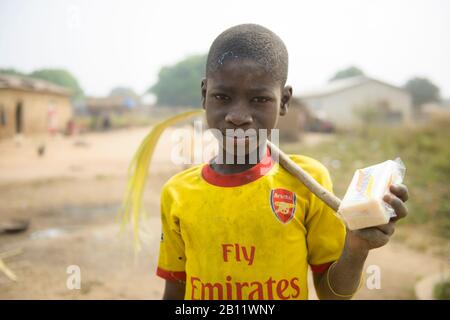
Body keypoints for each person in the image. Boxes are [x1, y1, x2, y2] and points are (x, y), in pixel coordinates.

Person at [156, 24, 409, 300]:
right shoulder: (177, 193)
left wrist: (356, 249)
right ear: (205, 94)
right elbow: (175, 293)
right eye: (222, 96)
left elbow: (332, 294)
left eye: (259, 99)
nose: (239, 115)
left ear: (284, 101)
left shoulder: (309, 184)